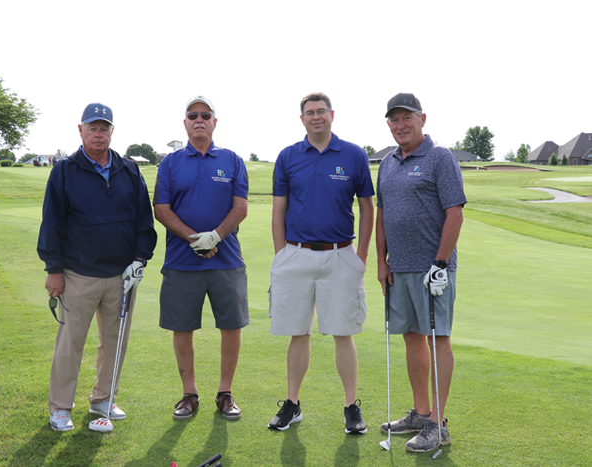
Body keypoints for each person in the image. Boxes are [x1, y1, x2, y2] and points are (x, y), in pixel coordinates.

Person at [37, 103, 157, 431]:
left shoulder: (129, 169)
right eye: (93, 127)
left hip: (121, 275)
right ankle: (61, 406)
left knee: (114, 341)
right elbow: (53, 223)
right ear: (81, 130)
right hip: (78, 274)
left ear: (112, 132)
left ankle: (103, 398)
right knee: (71, 342)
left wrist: (139, 259)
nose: (99, 134)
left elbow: (142, 221)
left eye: (104, 128)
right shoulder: (65, 170)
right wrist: (54, 269)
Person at [267, 92, 374, 434]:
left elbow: (368, 207)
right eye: (309, 113)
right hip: (295, 253)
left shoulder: (354, 155)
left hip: (341, 254)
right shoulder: (288, 157)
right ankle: (292, 404)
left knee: (343, 333)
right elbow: (279, 208)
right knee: (298, 332)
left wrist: (363, 255)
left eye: (321, 111)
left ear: (332, 115)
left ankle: (351, 406)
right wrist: (280, 252)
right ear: (302, 119)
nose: (316, 117)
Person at [376, 93, 467, 452]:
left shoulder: (440, 158)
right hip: (399, 269)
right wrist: (381, 262)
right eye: (394, 120)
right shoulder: (387, 163)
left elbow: (454, 214)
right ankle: (420, 411)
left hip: (433, 270)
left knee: (437, 340)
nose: (400, 125)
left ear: (422, 119)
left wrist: (441, 264)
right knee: (412, 338)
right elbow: (382, 215)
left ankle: (438, 424)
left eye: (406, 118)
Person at [153, 95, 249, 421]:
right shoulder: (170, 163)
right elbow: (161, 209)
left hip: (226, 260)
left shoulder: (233, 160)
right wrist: (195, 238)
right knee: (183, 328)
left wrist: (215, 236)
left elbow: (240, 208)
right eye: (192, 115)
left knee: (231, 327)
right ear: (184, 123)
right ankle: (189, 394)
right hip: (182, 262)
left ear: (214, 122)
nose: (199, 120)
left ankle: (225, 393)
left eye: (205, 115)